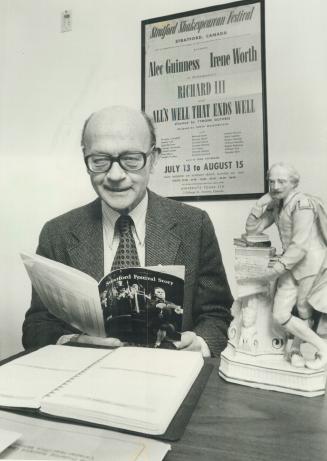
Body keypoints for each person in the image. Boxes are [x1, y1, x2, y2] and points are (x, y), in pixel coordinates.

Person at [22, 106, 233, 357]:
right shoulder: (56, 233)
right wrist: (73, 342)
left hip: (167, 380)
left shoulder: (194, 225)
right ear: (86, 160)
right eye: (100, 160)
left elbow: (218, 315)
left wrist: (201, 343)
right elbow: (36, 327)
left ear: (153, 158)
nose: (115, 175)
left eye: (131, 159)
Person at [245, 162, 327, 369]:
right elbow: (252, 230)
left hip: (310, 264)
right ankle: (322, 347)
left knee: (303, 310)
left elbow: (300, 245)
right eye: (271, 181)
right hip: (291, 263)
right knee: (280, 314)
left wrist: (275, 270)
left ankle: (297, 349)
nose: (275, 185)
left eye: (281, 181)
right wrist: (260, 203)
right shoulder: (277, 204)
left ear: (293, 183)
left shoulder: (302, 204)